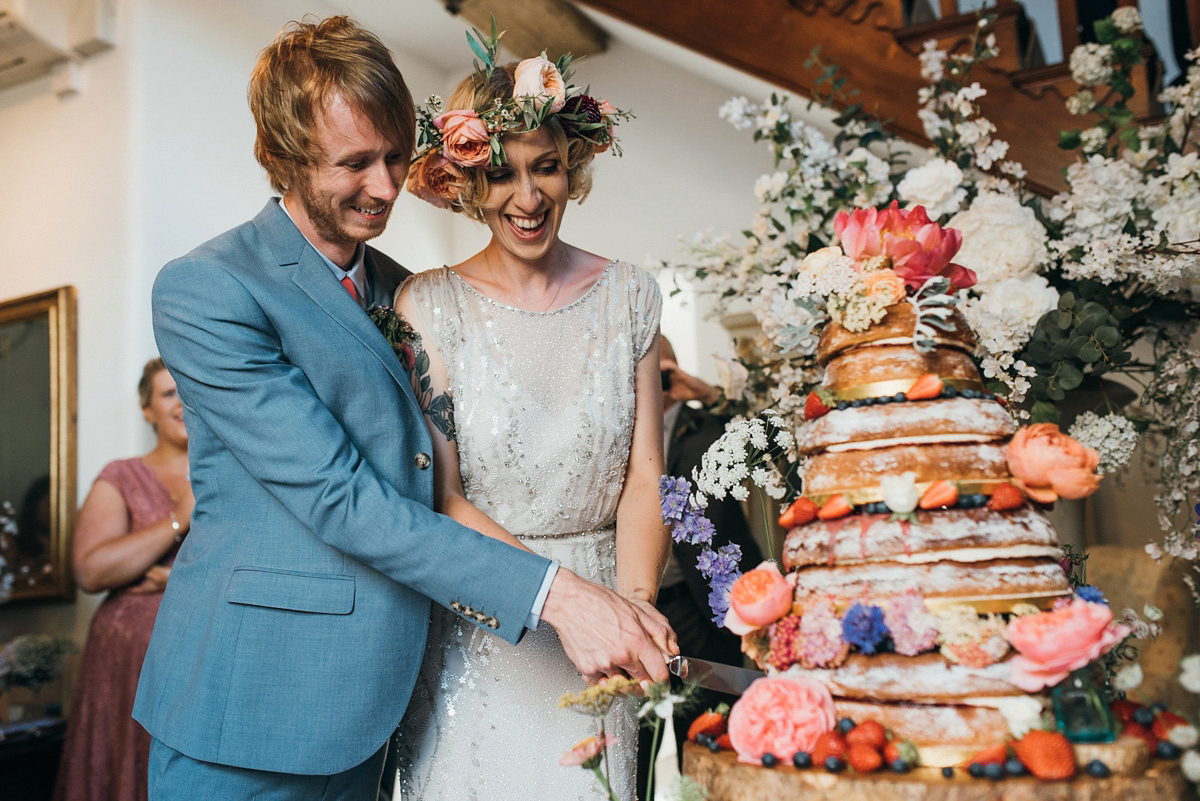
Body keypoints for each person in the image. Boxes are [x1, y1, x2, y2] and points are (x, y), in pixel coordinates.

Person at [134, 16, 673, 801]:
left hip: (386, 708)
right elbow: (339, 494)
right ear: (282, 160)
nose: (386, 187)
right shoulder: (209, 288)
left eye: (395, 155)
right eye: (355, 163)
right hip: (253, 708)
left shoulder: (407, 290)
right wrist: (559, 594)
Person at [391, 48, 670, 801]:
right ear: (467, 182)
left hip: (606, 620)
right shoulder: (428, 306)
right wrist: (555, 597)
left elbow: (646, 474)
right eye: (501, 174)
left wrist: (634, 605)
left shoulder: (629, 295)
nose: (527, 196)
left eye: (544, 167)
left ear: (571, 165)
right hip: (487, 617)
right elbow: (443, 497)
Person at [53, 358, 191, 801]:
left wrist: (173, 578)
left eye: (188, 388)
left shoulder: (237, 470)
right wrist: (177, 520)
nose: (182, 401)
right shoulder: (122, 476)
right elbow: (91, 571)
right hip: (126, 664)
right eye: (168, 393)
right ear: (146, 409)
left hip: (204, 655)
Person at [638, 338, 764, 792]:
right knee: (642, 735)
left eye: (660, 367)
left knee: (714, 729)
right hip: (642, 605)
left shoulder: (708, 423)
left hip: (707, 606)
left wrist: (705, 392)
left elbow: (768, 434)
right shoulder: (616, 431)